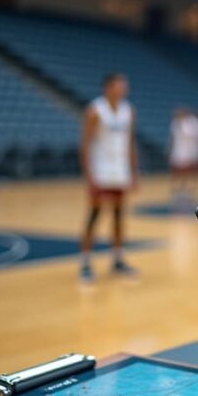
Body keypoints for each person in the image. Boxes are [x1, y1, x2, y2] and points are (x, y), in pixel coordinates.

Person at [79, 72, 138, 282]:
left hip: (120, 171)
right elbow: (85, 144)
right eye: (120, 85)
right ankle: (85, 262)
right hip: (101, 170)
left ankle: (118, 259)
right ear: (108, 87)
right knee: (94, 216)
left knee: (119, 215)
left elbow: (130, 143)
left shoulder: (128, 110)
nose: (124, 89)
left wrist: (134, 173)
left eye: (125, 86)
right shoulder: (96, 110)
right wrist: (89, 175)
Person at [169, 107, 198, 204]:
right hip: (178, 150)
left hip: (189, 151)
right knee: (177, 170)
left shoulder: (191, 123)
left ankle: (190, 188)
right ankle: (178, 189)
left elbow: (192, 137)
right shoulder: (175, 123)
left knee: (189, 170)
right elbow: (173, 138)